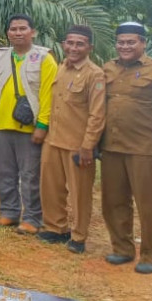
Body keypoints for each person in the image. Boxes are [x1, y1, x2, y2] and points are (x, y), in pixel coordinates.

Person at [101, 21, 152, 274]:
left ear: (143, 43)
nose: (125, 46)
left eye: (131, 42)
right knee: (113, 201)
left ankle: (150, 254)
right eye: (121, 42)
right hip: (112, 148)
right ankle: (122, 249)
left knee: (148, 205)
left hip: (144, 149)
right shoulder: (107, 68)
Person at [0, 14, 57, 235]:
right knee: (4, 172)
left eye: (23, 28)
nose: (18, 33)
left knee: (30, 175)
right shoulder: (0, 56)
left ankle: (33, 218)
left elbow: (49, 94)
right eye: (13, 29)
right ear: (8, 33)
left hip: (30, 128)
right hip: (1, 126)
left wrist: (42, 125)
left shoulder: (44, 58)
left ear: (33, 32)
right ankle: (9, 212)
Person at [39, 25, 106, 253]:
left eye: (80, 44)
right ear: (63, 44)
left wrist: (88, 146)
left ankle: (78, 236)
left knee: (80, 194)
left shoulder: (94, 74)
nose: (74, 48)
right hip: (53, 140)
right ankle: (56, 228)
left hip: (77, 145)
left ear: (89, 47)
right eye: (70, 43)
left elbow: (97, 114)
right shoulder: (61, 67)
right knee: (50, 188)